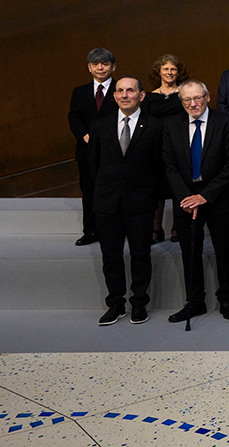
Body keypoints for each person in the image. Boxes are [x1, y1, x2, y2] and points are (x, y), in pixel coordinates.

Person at [163, 80, 229, 324]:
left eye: (197, 98)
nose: (192, 103)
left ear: (207, 97)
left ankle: (227, 300)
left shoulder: (225, 123)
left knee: (224, 251)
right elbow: (170, 165)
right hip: (185, 198)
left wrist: (205, 196)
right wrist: (189, 198)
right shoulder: (172, 125)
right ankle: (194, 302)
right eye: (187, 100)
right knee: (190, 252)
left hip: (217, 197)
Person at [88, 76, 163, 326]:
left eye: (130, 90)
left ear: (141, 95)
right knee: (111, 256)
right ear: (114, 96)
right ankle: (115, 305)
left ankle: (139, 304)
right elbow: (93, 163)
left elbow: (158, 166)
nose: (124, 95)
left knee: (141, 254)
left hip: (140, 202)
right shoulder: (101, 124)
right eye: (119, 91)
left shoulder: (154, 126)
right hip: (107, 202)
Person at [68, 48, 118, 246]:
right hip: (86, 150)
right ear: (89, 67)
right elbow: (73, 116)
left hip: (114, 149)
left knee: (114, 191)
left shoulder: (121, 89)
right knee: (89, 191)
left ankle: (115, 230)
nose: (100, 67)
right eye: (95, 64)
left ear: (113, 67)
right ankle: (90, 231)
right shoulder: (79, 92)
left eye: (105, 64)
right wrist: (85, 135)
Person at [143, 53, 189, 244]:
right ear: (159, 72)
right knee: (157, 188)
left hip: (180, 146)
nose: (169, 72)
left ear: (178, 72)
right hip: (157, 148)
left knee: (179, 186)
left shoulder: (185, 94)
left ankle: (178, 227)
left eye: (173, 69)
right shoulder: (149, 98)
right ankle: (156, 229)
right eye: (166, 69)